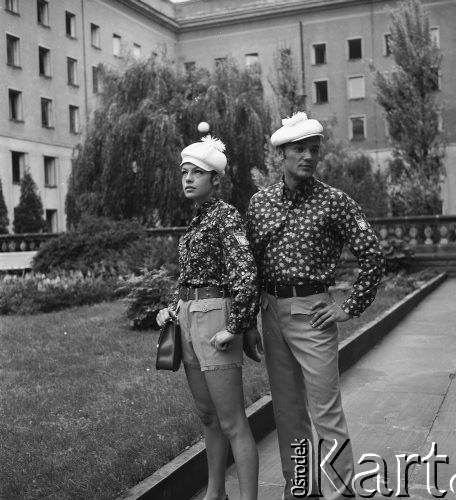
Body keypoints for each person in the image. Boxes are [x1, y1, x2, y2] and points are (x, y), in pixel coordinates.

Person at [244, 112, 385, 500]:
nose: (308, 156)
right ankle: (302, 489)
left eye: (313, 150)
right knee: (288, 411)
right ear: (282, 155)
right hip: (271, 311)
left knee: (325, 409)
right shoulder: (260, 204)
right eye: (299, 149)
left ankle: (342, 490)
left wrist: (348, 306)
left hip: (314, 312)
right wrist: (249, 321)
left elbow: (373, 254)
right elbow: (251, 265)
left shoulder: (333, 201)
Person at [156, 135, 259, 500]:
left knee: (232, 421)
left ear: (215, 179)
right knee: (208, 418)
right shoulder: (195, 221)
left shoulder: (226, 215)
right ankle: (216, 493)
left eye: (196, 173)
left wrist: (236, 326)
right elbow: (190, 277)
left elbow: (245, 273)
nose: (187, 178)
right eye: (184, 172)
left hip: (215, 318)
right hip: (187, 318)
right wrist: (172, 306)